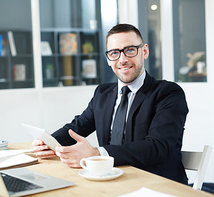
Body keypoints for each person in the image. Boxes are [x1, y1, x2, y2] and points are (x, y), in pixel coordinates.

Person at [32, 24, 188, 184]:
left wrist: (95, 153)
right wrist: (49, 142)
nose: (123, 59)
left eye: (130, 50)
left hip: (157, 185)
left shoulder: (168, 93)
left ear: (145, 51)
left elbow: (157, 148)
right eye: (115, 53)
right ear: (108, 58)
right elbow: (78, 127)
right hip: (111, 180)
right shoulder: (103, 93)